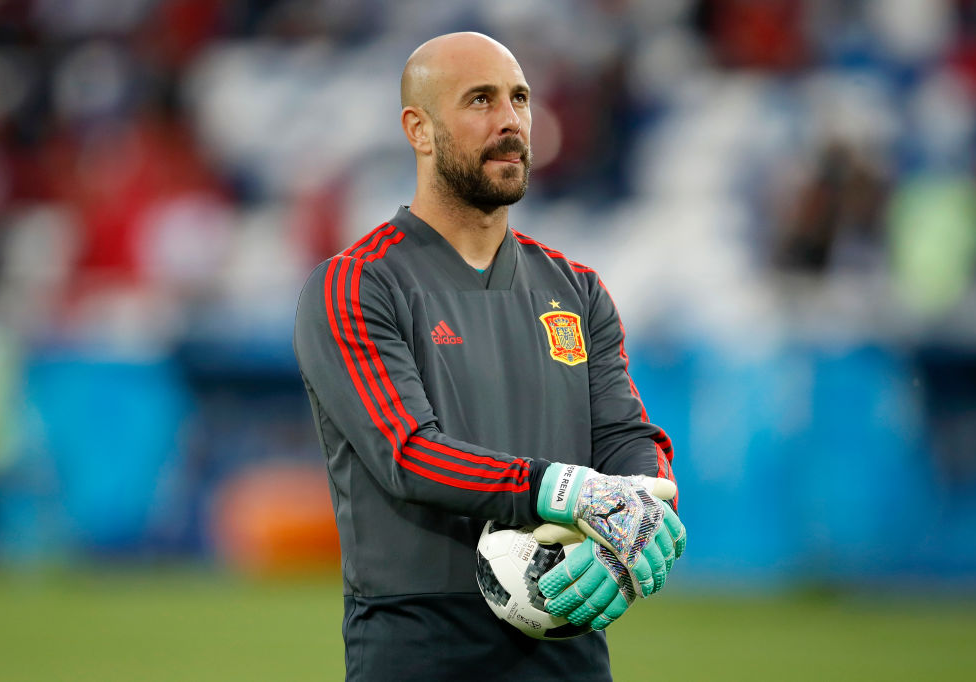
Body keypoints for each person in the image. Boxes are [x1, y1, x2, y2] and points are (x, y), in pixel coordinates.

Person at [293, 32, 685, 681]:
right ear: (418, 130)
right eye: (480, 100)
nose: (510, 120)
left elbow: (625, 436)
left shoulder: (576, 289)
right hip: (419, 648)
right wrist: (572, 493)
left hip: (571, 646)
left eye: (520, 98)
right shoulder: (356, 284)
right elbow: (409, 453)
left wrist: (641, 510)